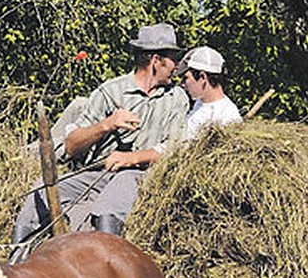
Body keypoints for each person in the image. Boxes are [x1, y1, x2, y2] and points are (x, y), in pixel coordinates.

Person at [12, 23, 190, 245]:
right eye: (173, 58)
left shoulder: (176, 99)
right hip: (97, 173)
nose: (177, 66)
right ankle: (15, 258)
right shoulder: (110, 92)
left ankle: (108, 264)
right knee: (42, 188)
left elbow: (173, 150)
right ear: (155, 60)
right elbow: (71, 145)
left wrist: (130, 158)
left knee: (111, 202)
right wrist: (107, 125)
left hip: (140, 176)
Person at [176, 45, 242, 141]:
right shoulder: (200, 103)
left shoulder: (227, 116)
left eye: (186, 78)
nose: (182, 84)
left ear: (202, 77)